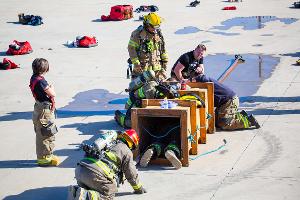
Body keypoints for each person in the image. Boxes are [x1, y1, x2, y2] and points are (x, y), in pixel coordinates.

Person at [68, 129, 146, 200]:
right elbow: (131, 173)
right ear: (132, 144)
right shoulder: (127, 151)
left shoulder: (108, 142)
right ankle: (85, 196)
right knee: (109, 193)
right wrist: (138, 188)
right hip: (94, 174)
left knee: (93, 187)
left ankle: (76, 191)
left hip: (80, 170)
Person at [189, 74, 260, 130]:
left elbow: (202, 78)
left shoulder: (203, 80)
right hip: (225, 103)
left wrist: (188, 80)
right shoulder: (201, 83)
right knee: (216, 123)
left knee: (225, 124)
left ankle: (249, 120)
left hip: (229, 101)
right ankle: (239, 115)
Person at [29, 58, 60, 166]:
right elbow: (52, 94)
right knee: (46, 133)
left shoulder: (33, 78)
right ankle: (44, 158)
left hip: (38, 107)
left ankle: (44, 156)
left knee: (40, 132)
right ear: (45, 69)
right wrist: (52, 87)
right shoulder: (41, 81)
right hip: (44, 111)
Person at [128, 12, 168, 81]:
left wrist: (165, 61)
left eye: (157, 27)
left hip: (157, 69)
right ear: (147, 25)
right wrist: (136, 63)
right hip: (142, 69)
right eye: (153, 27)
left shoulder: (158, 33)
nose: (155, 29)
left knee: (160, 89)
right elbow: (131, 49)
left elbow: (162, 48)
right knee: (140, 90)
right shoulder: (137, 34)